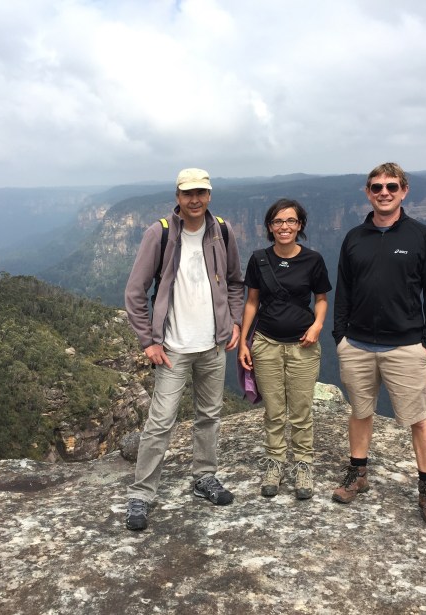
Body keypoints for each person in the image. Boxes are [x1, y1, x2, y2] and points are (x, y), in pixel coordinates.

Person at [123, 167, 244, 531]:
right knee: (160, 421)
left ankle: (204, 478)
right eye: (188, 193)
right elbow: (135, 292)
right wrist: (149, 341)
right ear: (177, 196)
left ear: (209, 195)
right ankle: (142, 494)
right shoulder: (158, 233)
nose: (195, 200)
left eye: (201, 193)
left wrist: (234, 322)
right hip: (172, 347)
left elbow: (236, 281)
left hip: (211, 344)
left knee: (209, 415)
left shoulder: (221, 231)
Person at [331, 162, 426, 526]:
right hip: (358, 344)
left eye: (392, 187)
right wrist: (341, 338)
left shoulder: (421, 236)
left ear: (404, 191)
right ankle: (358, 472)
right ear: (367, 192)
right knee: (360, 411)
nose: (384, 192)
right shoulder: (354, 237)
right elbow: (344, 290)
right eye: (377, 187)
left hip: (406, 345)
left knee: (419, 417)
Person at [238, 198, 331, 500]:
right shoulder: (259, 259)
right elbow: (252, 301)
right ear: (269, 227)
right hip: (265, 343)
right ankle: (275, 463)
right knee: (275, 411)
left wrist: (317, 326)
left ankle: (303, 465)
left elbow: (321, 298)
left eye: (291, 221)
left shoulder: (313, 260)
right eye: (278, 222)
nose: (284, 227)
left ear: (300, 225)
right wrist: (243, 341)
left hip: (303, 346)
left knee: (302, 412)